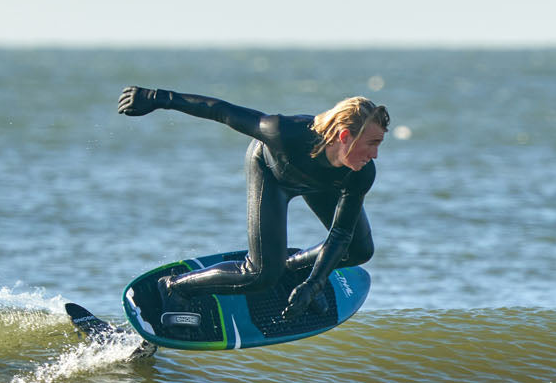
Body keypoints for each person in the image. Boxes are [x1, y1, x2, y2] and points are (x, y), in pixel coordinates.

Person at [117, 86, 387, 321]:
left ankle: (291, 270)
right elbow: (222, 111)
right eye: (371, 144)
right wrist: (157, 98)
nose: (375, 154)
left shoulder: (361, 172)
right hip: (272, 173)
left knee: (359, 250)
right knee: (260, 275)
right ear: (344, 136)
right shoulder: (285, 133)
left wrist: (312, 285)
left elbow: (341, 234)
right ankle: (176, 287)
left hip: (319, 183)